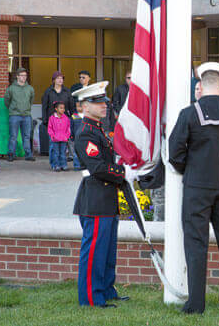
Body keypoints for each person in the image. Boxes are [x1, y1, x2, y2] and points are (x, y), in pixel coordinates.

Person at [169, 62, 219, 314]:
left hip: (197, 186)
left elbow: (175, 152)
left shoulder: (190, 113)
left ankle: (196, 304)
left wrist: (190, 169)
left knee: (195, 243)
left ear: (200, 87)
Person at [72, 81, 127, 308]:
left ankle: (106, 290)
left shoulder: (98, 129)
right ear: (84, 106)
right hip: (95, 197)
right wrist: (124, 172)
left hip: (105, 197)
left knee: (107, 251)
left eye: (104, 101)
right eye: (97, 102)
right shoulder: (86, 133)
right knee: (94, 252)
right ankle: (91, 298)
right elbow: (98, 167)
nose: (104, 105)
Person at [4, 68, 35, 162]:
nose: (23, 77)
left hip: (27, 115)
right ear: (17, 76)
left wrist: (26, 108)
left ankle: (28, 155)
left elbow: (31, 100)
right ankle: (11, 154)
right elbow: (7, 101)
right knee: (13, 136)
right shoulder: (11, 88)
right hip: (14, 115)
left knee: (27, 136)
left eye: (25, 75)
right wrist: (13, 109)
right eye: (21, 75)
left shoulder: (30, 88)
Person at [47, 101, 71, 171]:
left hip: (64, 138)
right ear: (56, 109)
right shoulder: (52, 118)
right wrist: (52, 136)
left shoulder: (66, 118)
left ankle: (64, 165)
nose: (63, 110)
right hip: (55, 139)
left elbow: (68, 128)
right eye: (61, 108)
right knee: (56, 153)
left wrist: (67, 136)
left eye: (63, 108)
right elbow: (50, 128)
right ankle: (56, 165)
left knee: (63, 153)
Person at [71, 101, 85, 171]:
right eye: (77, 106)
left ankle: (84, 165)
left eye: (80, 106)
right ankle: (77, 165)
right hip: (76, 137)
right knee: (76, 152)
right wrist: (71, 135)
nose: (78, 108)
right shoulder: (74, 116)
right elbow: (71, 127)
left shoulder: (86, 116)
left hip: (85, 137)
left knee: (84, 152)